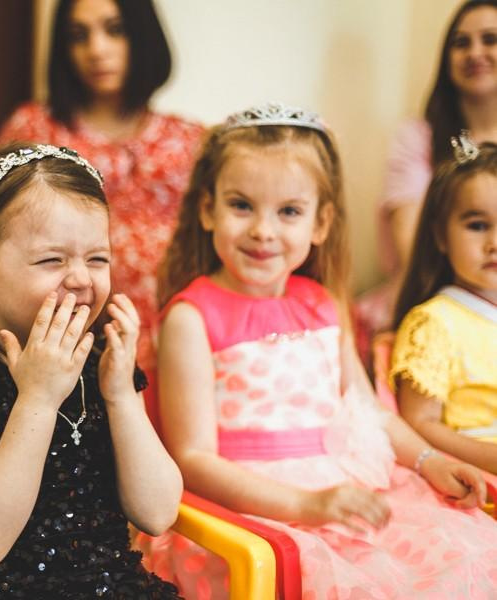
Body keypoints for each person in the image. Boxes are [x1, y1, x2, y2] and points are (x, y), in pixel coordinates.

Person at [140, 103, 497, 599]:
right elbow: (193, 458)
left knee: (463, 556)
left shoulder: (324, 304)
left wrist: (429, 460)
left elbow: (368, 413)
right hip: (255, 509)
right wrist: (306, 505)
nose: (264, 230)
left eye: (289, 211)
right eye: (241, 205)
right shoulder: (191, 318)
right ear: (208, 209)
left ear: (320, 223)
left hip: (346, 492)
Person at [0, 142, 183, 598]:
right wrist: (39, 398)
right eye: (52, 260)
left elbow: (159, 511)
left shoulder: (103, 365)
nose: (82, 279)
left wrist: (121, 394)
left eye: (97, 259)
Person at [0, 0, 205, 373]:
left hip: (180, 344)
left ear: (142, 35)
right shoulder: (36, 129)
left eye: (115, 29)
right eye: (79, 35)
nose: (96, 49)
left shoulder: (191, 140)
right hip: (69, 343)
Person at [355, 0, 497, 363]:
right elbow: (411, 243)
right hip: (430, 291)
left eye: (490, 39)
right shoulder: (419, 137)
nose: (475, 52)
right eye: (461, 42)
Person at [390, 134, 497, 475]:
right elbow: (419, 422)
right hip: (474, 479)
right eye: (478, 226)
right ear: (439, 235)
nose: (494, 243)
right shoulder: (435, 323)